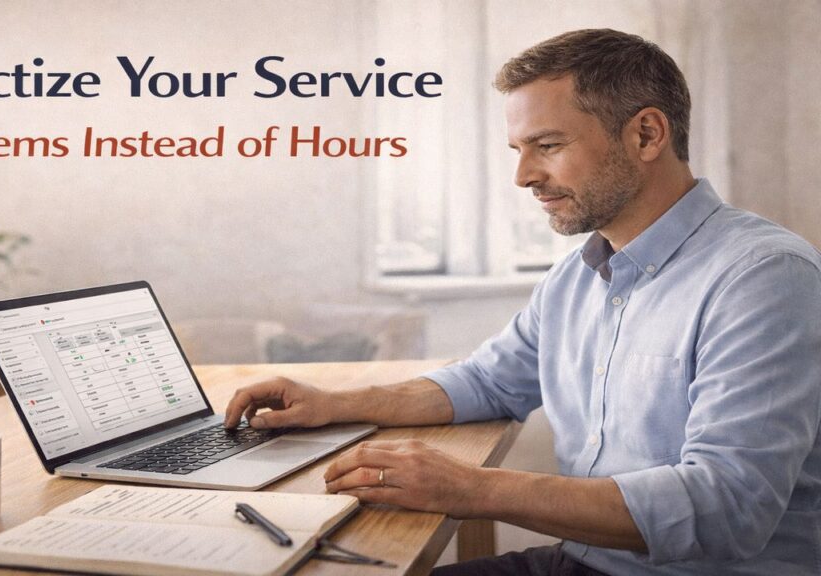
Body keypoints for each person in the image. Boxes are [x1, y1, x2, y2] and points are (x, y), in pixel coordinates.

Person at [224, 28, 821, 575]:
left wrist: (472, 488)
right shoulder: (575, 277)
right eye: (518, 149)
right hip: (586, 562)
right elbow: (487, 382)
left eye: (548, 145)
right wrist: (334, 403)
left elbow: (728, 508)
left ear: (646, 134)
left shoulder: (763, 277)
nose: (524, 176)